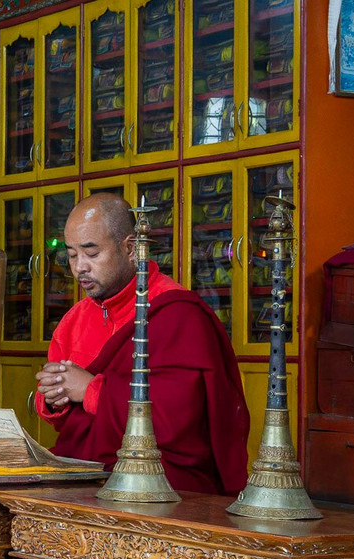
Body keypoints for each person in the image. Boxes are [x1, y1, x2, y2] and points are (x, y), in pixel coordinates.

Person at [36, 193, 250, 495]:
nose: (79, 267)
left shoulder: (177, 312)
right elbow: (65, 421)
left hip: (161, 481)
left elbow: (177, 420)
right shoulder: (74, 319)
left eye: (92, 253)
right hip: (87, 473)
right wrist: (53, 398)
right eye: (72, 255)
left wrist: (90, 391)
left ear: (130, 248)